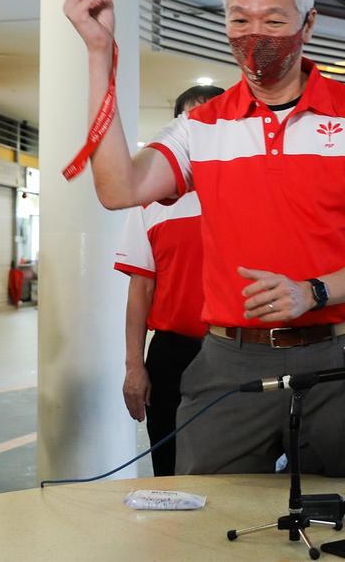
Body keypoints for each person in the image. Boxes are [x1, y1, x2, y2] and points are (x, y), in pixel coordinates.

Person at [64, 0, 345, 475]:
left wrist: (311, 292)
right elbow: (118, 188)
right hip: (229, 361)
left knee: (337, 521)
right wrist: (98, 51)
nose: (256, 36)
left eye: (275, 20)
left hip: (342, 359)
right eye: (239, 19)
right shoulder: (204, 125)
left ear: (309, 22)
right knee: (208, 524)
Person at [113, 84, 223, 476]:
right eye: (191, 121)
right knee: (170, 468)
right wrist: (133, 366)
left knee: (238, 472)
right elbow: (140, 289)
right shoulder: (151, 201)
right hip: (172, 354)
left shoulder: (249, 192)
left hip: (239, 351)